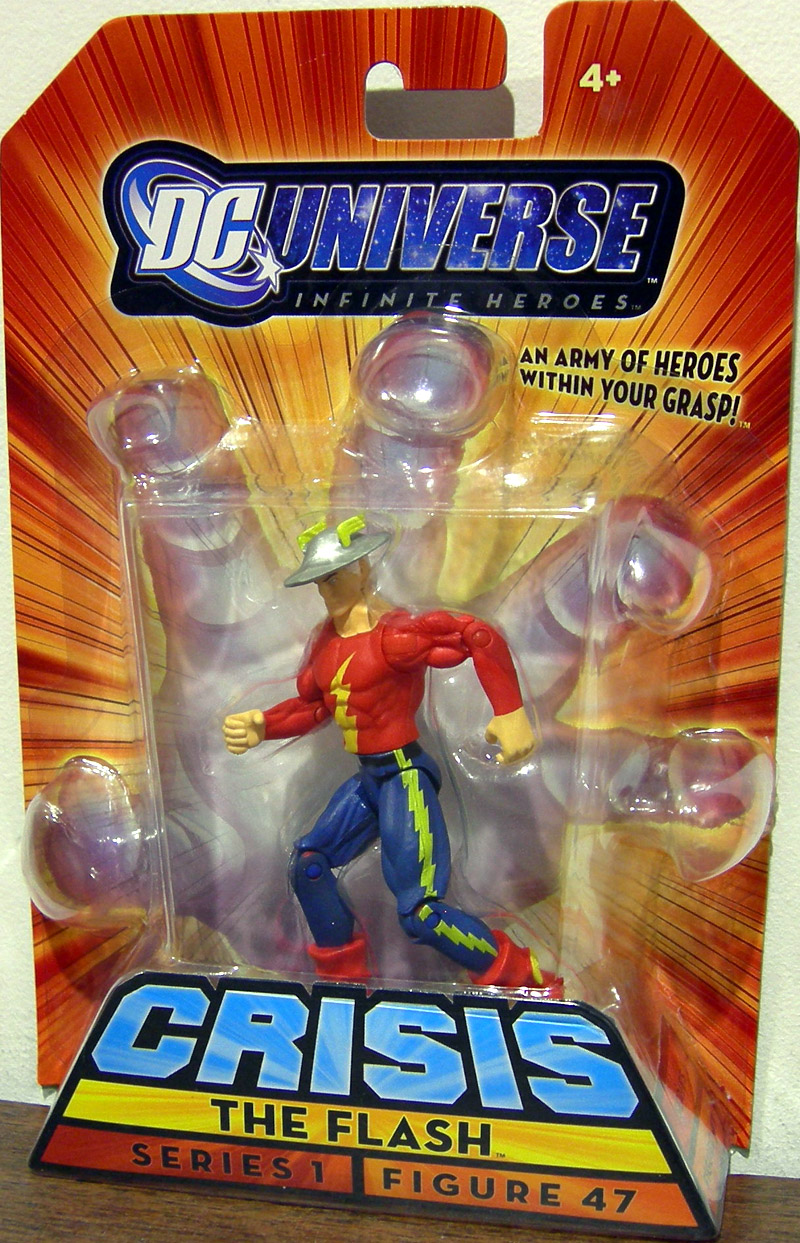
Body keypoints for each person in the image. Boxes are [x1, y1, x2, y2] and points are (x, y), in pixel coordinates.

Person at [223, 515, 559, 993]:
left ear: (361, 569)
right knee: (309, 865)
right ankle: (344, 984)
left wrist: (510, 712)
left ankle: (524, 979)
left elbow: (476, 636)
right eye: (319, 581)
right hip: (370, 779)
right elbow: (313, 707)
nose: (326, 590)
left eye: (333, 577)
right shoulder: (326, 642)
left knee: (421, 912)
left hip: (404, 776)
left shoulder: (395, 636)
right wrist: (263, 724)